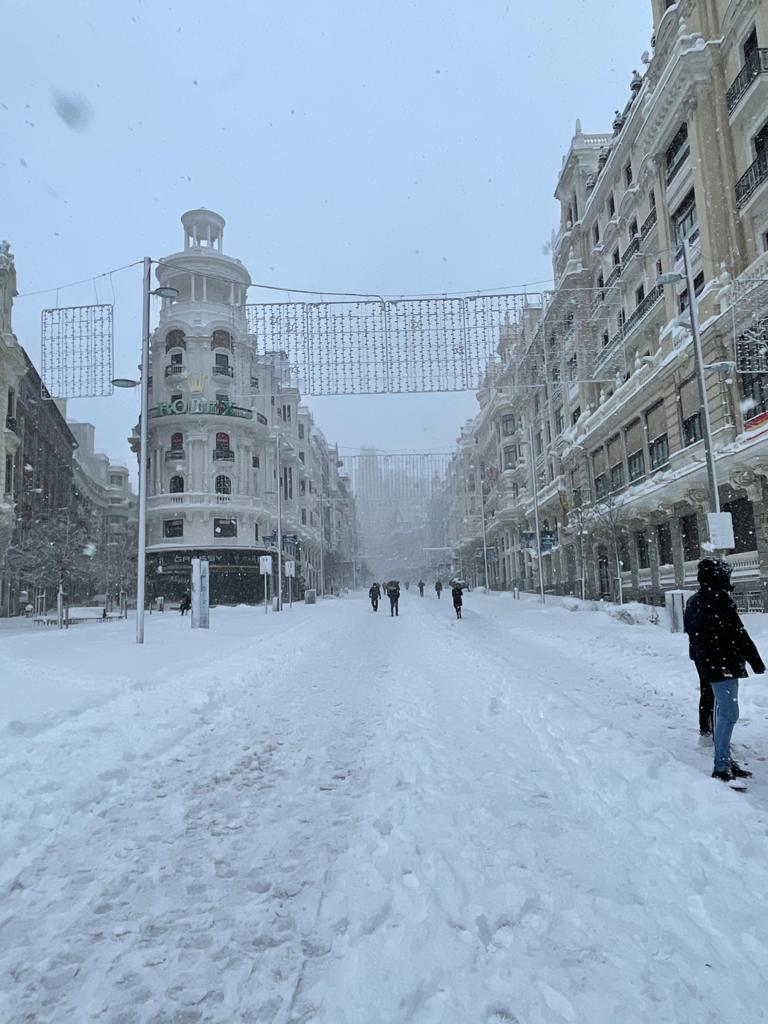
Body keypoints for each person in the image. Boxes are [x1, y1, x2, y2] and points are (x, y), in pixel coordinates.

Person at [684, 558, 765, 783]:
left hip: (709, 663)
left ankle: (725, 759)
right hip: (722, 665)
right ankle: (721, 766)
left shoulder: (695, 600)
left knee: (721, 710)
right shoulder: (720, 599)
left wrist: (700, 657)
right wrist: (756, 661)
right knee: (729, 713)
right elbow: (738, 633)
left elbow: (691, 633)